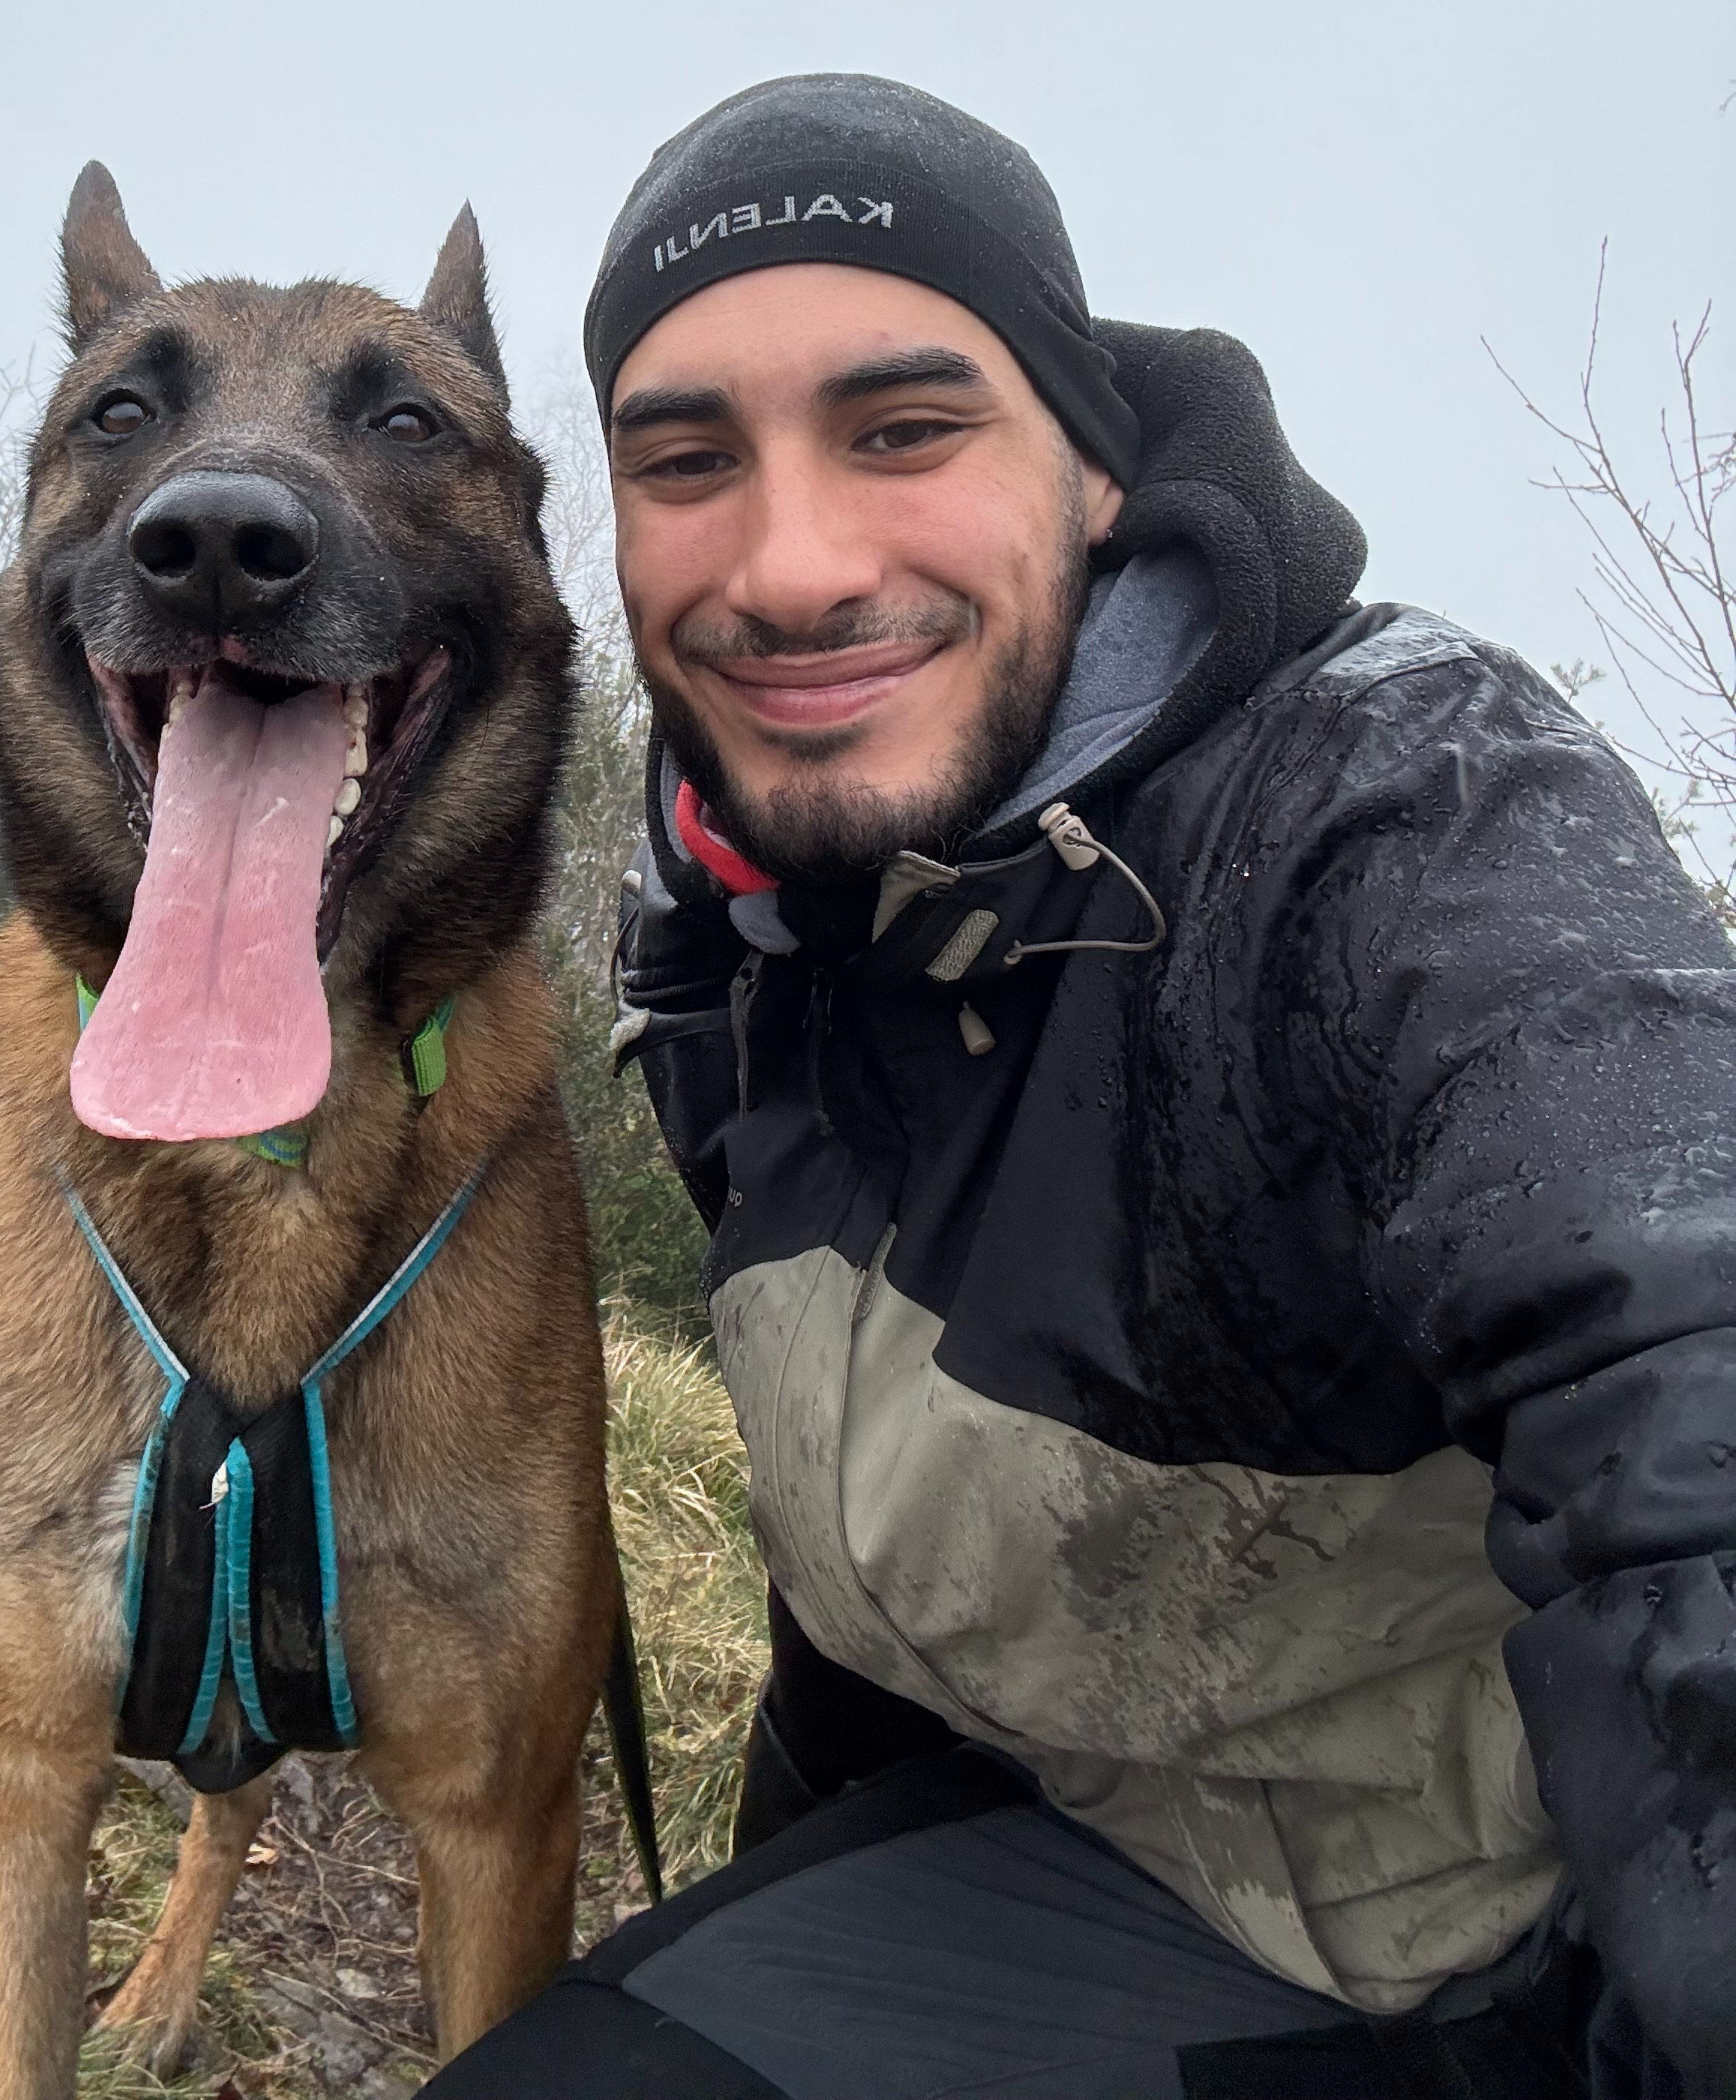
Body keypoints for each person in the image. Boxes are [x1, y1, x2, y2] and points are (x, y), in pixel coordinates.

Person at [421, 74, 1735, 2100]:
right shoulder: (727, 938)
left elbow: (1688, 1377)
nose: (787, 564)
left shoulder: (1388, 812)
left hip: (1540, 1964)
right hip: (1122, 1878)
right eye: (686, 459)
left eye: (904, 430)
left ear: (1096, 469)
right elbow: (871, 1578)